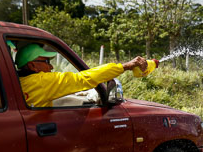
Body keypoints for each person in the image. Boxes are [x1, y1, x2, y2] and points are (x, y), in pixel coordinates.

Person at [15, 43, 147, 107]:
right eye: (46, 61)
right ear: (32, 65)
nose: (51, 66)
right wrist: (124, 66)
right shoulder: (42, 81)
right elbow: (84, 78)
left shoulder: (16, 82)